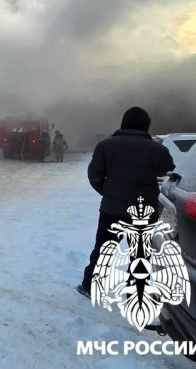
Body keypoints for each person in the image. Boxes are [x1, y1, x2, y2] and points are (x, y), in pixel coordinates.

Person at [77, 106, 175, 300]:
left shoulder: (106, 145)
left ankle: (90, 287)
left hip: (112, 210)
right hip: (144, 212)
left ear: (124, 123)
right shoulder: (159, 149)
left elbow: (94, 175)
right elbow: (169, 172)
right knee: (140, 255)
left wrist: (108, 192)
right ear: (146, 126)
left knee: (103, 250)